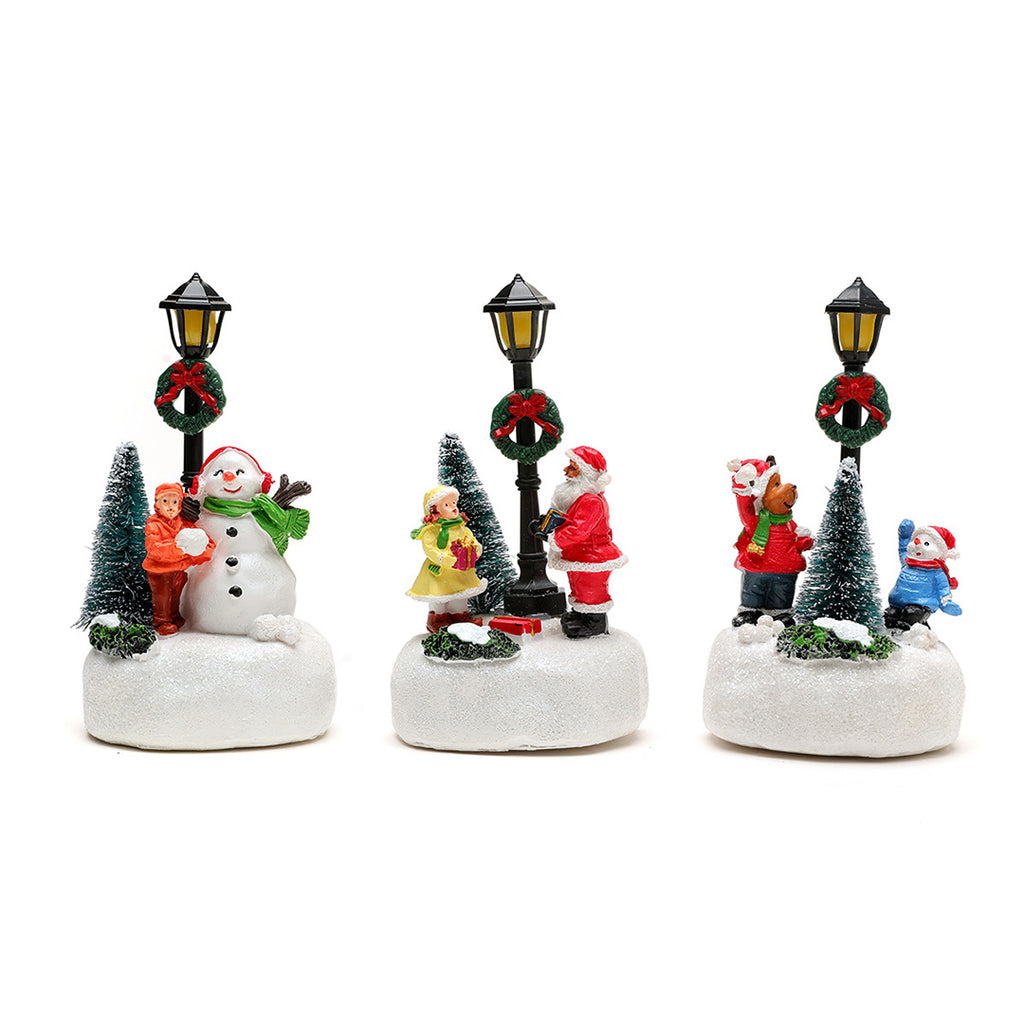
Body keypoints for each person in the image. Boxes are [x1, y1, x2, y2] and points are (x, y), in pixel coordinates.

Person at [545, 446, 626, 639]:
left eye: (573, 468)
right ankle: (581, 614)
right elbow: (570, 521)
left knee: (591, 589)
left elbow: (578, 530)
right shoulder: (580, 498)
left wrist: (554, 538)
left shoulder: (591, 501)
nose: (566, 471)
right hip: (579, 552)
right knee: (579, 585)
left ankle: (595, 624)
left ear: (586, 475)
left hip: (592, 554)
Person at [407, 485, 487, 634]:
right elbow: (430, 548)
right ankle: (437, 619)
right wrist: (443, 558)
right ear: (434, 509)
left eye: (454, 503)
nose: (453, 507)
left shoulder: (461, 527)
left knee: (460, 594)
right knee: (439, 596)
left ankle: (460, 617)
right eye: (447, 505)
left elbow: (472, 540)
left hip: (460, 570)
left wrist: (475, 550)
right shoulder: (431, 530)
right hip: (440, 571)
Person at [143, 483, 215, 635]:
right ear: (157, 505)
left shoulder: (183, 525)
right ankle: (161, 620)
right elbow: (154, 548)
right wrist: (180, 548)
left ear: (180, 505)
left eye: (174, 502)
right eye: (165, 501)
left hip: (179, 569)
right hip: (160, 571)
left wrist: (199, 548)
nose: (170, 506)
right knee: (163, 595)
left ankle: (174, 615)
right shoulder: (154, 526)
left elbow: (206, 543)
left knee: (176, 593)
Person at [884, 520, 962, 630]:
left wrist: (946, 603)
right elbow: (903, 549)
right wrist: (905, 536)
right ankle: (888, 633)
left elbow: (943, 589)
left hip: (921, 606)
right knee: (889, 614)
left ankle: (912, 634)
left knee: (910, 614)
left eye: (926, 544)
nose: (917, 544)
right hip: (897, 602)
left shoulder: (937, 572)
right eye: (916, 540)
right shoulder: (907, 562)